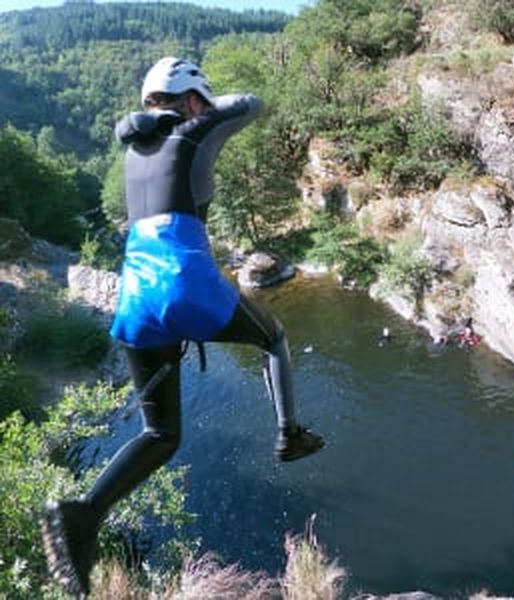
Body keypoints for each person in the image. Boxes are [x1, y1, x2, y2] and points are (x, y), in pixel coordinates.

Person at [41, 57, 323, 597]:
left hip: (134, 299)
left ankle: (82, 513)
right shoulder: (193, 129)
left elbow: (158, 155)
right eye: (201, 98)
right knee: (275, 337)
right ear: (192, 98)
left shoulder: (134, 150)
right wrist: (192, 116)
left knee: (160, 433)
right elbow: (250, 104)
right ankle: (290, 434)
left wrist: (139, 120)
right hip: (185, 282)